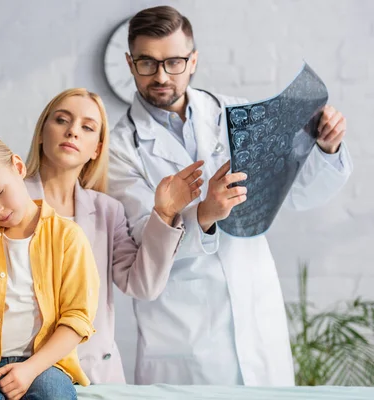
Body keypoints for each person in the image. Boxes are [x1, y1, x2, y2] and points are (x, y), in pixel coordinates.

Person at [108, 6, 353, 386]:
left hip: (256, 315)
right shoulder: (118, 147)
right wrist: (202, 215)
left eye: (173, 62)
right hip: (181, 335)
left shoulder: (238, 115)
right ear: (129, 62)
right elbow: (141, 237)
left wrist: (326, 148)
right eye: (147, 62)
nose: (161, 76)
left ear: (193, 61)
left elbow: (299, 193)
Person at [0, 88, 205, 384]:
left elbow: (142, 286)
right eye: (61, 120)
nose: (72, 132)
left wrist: (164, 214)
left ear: (97, 148)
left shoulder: (108, 211)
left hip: (93, 371)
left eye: (87, 127)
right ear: (42, 132)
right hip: (13, 372)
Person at [0, 130, 99, 400]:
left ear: (19, 167)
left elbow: (78, 319)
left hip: (45, 364)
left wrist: (29, 369)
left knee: (54, 395)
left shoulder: (67, 236)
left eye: (0, 192)